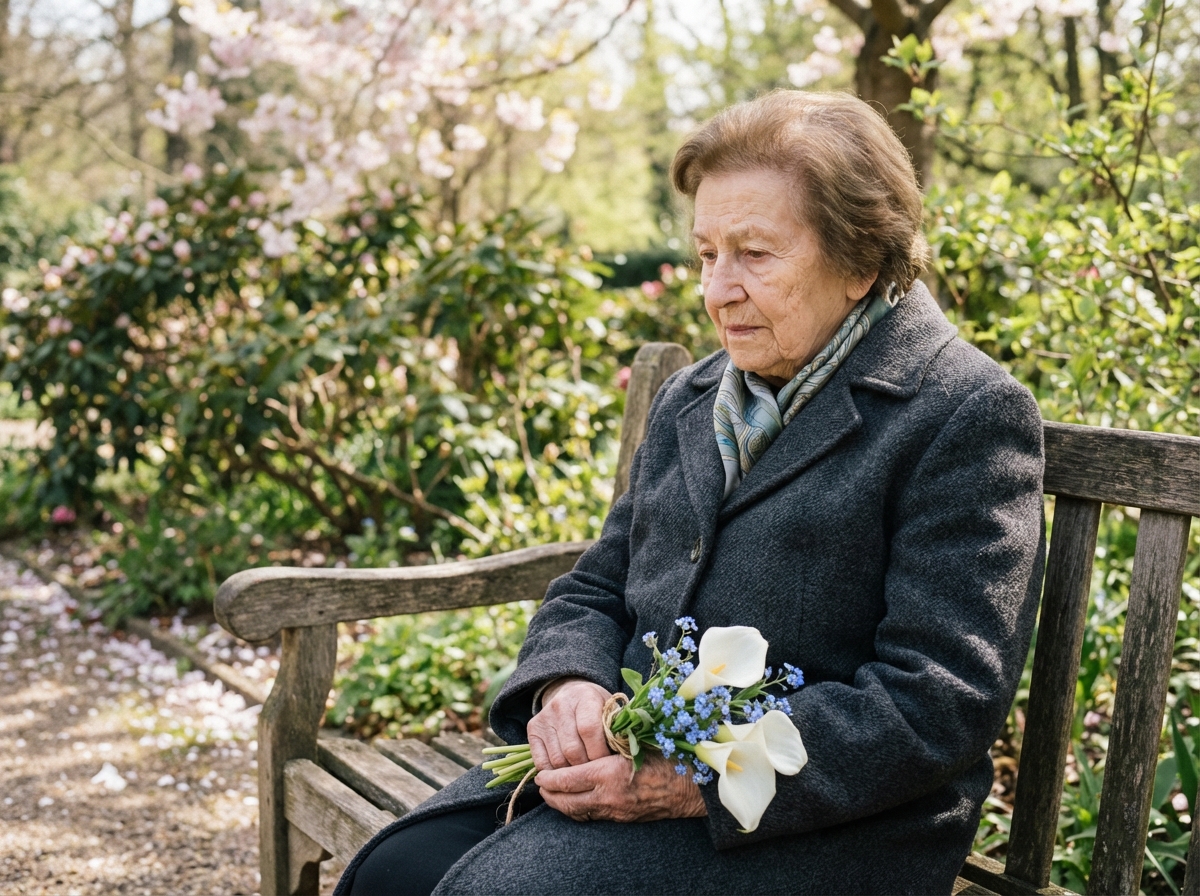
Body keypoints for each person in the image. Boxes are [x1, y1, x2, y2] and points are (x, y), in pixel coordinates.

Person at [336, 89, 1046, 896]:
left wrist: (696, 775)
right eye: (708, 253)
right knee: (393, 874)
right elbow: (599, 583)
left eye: (755, 253)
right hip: (630, 765)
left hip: (822, 824)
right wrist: (568, 683)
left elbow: (939, 702)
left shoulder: (962, 412)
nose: (717, 290)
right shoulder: (696, 395)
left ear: (860, 261)